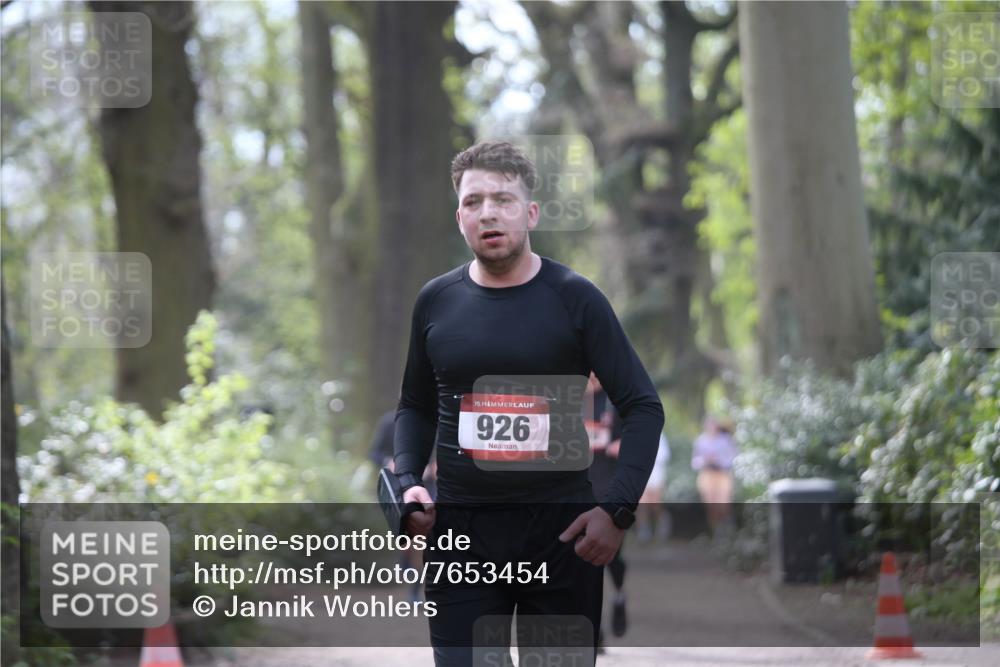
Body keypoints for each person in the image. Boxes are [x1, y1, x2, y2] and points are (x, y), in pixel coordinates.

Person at [392, 141, 664, 666]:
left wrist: (617, 510)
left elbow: (642, 405)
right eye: (473, 202)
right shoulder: (436, 301)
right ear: (459, 217)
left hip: (562, 539)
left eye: (503, 199)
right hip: (460, 541)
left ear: (531, 212)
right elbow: (415, 405)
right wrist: (408, 485)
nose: (488, 212)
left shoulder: (575, 297)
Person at [691, 417, 738, 532]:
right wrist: (705, 460)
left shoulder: (725, 440)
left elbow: (734, 457)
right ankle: (715, 531)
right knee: (710, 505)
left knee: (724, 505)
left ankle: (727, 529)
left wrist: (719, 460)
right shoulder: (700, 440)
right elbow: (695, 461)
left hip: (722, 475)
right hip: (707, 475)